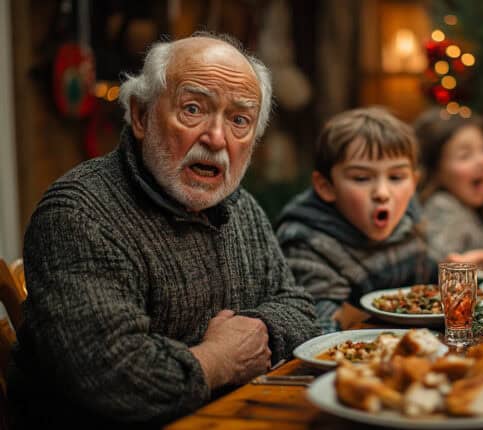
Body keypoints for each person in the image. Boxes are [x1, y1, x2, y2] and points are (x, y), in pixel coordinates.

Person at [9, 33, 317, 427]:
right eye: (193, 109)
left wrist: (257, 331)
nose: (217, 138)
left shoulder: (240, 206)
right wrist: (219, 359)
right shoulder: (78, 213)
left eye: (240, 120)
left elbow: (300, 309)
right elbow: (116, 378)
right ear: (141, 115)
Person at [275, 107, 437, 333]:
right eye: (361, 178)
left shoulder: (408, 221)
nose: (382, 192)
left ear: (414, 183)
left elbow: (426, 282)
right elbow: (321, 329)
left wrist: (455, 272)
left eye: (396, 177)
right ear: (326, 187)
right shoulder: (306, 242)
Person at [413, 108, 483, 265]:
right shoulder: (440, 208)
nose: (482, 161)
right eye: (464, 155)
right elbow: (439, 266)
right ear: (436, 171)